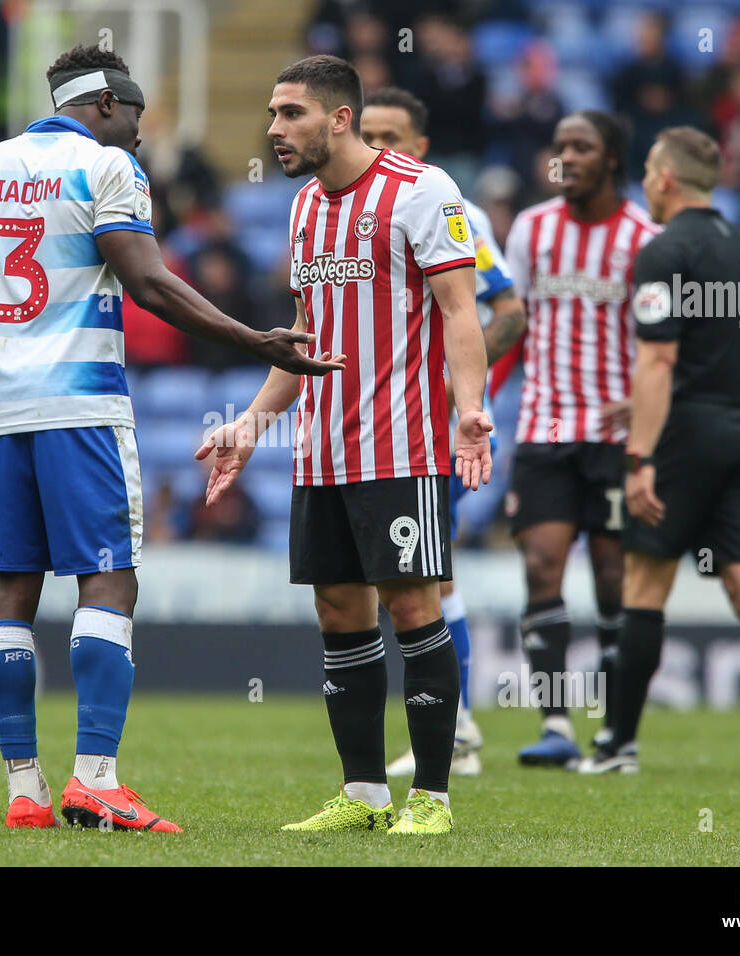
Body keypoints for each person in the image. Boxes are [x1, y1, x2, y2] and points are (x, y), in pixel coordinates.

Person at [0, 45, 341, 832]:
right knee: (109, 582)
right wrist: (255, 340)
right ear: (105, 104)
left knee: (10, 595)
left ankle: (25, 792)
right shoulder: (105, 170)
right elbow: (150, 281)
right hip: (82, 413)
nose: (140, 135)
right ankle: (96, 778)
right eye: (136, 118)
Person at [198, 56, 495, 835]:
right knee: (337, 610)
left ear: (339, 118)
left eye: (290, 114)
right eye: (271, 113)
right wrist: (250, 425)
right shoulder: (300, 209)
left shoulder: (423, 190)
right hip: (322, 449)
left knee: (411, 603)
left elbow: (461, 311)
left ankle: (431, 797)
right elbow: (304, 343)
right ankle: (363, 794)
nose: (273, 128)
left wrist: (472, 408)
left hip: (403, 445)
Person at [579, 127, 740, 776]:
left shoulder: (663, 253)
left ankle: (617, 745)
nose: (642, 185)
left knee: (645, 583)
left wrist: (639, 457)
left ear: (665, 179)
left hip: (684, 441)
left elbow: (659, 358)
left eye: (647, 174)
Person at [360, 86, 528, 779]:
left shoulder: (443, 204)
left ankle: (454, 729)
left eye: (392, 136)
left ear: (421, 147)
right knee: (403, 574)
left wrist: (456, 386)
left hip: (427, 422)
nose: (378, 148)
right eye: (367, 133)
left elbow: (509, 310)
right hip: (370, 422)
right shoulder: (343, 208)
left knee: (429, 569)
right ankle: (452, 726)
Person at [502, 111, 661, 768]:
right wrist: (472, 398)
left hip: (616, 439)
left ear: (613, 159)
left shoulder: (646, 240)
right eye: (560, 144)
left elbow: (665, 345)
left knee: (613, 580)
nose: (565, 155)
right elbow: (509, 322)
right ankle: (557, 723)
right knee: (542, 564)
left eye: (582, 146)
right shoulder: (531, 229)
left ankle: (616, 731)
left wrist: (648, 407)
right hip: (543, 429)